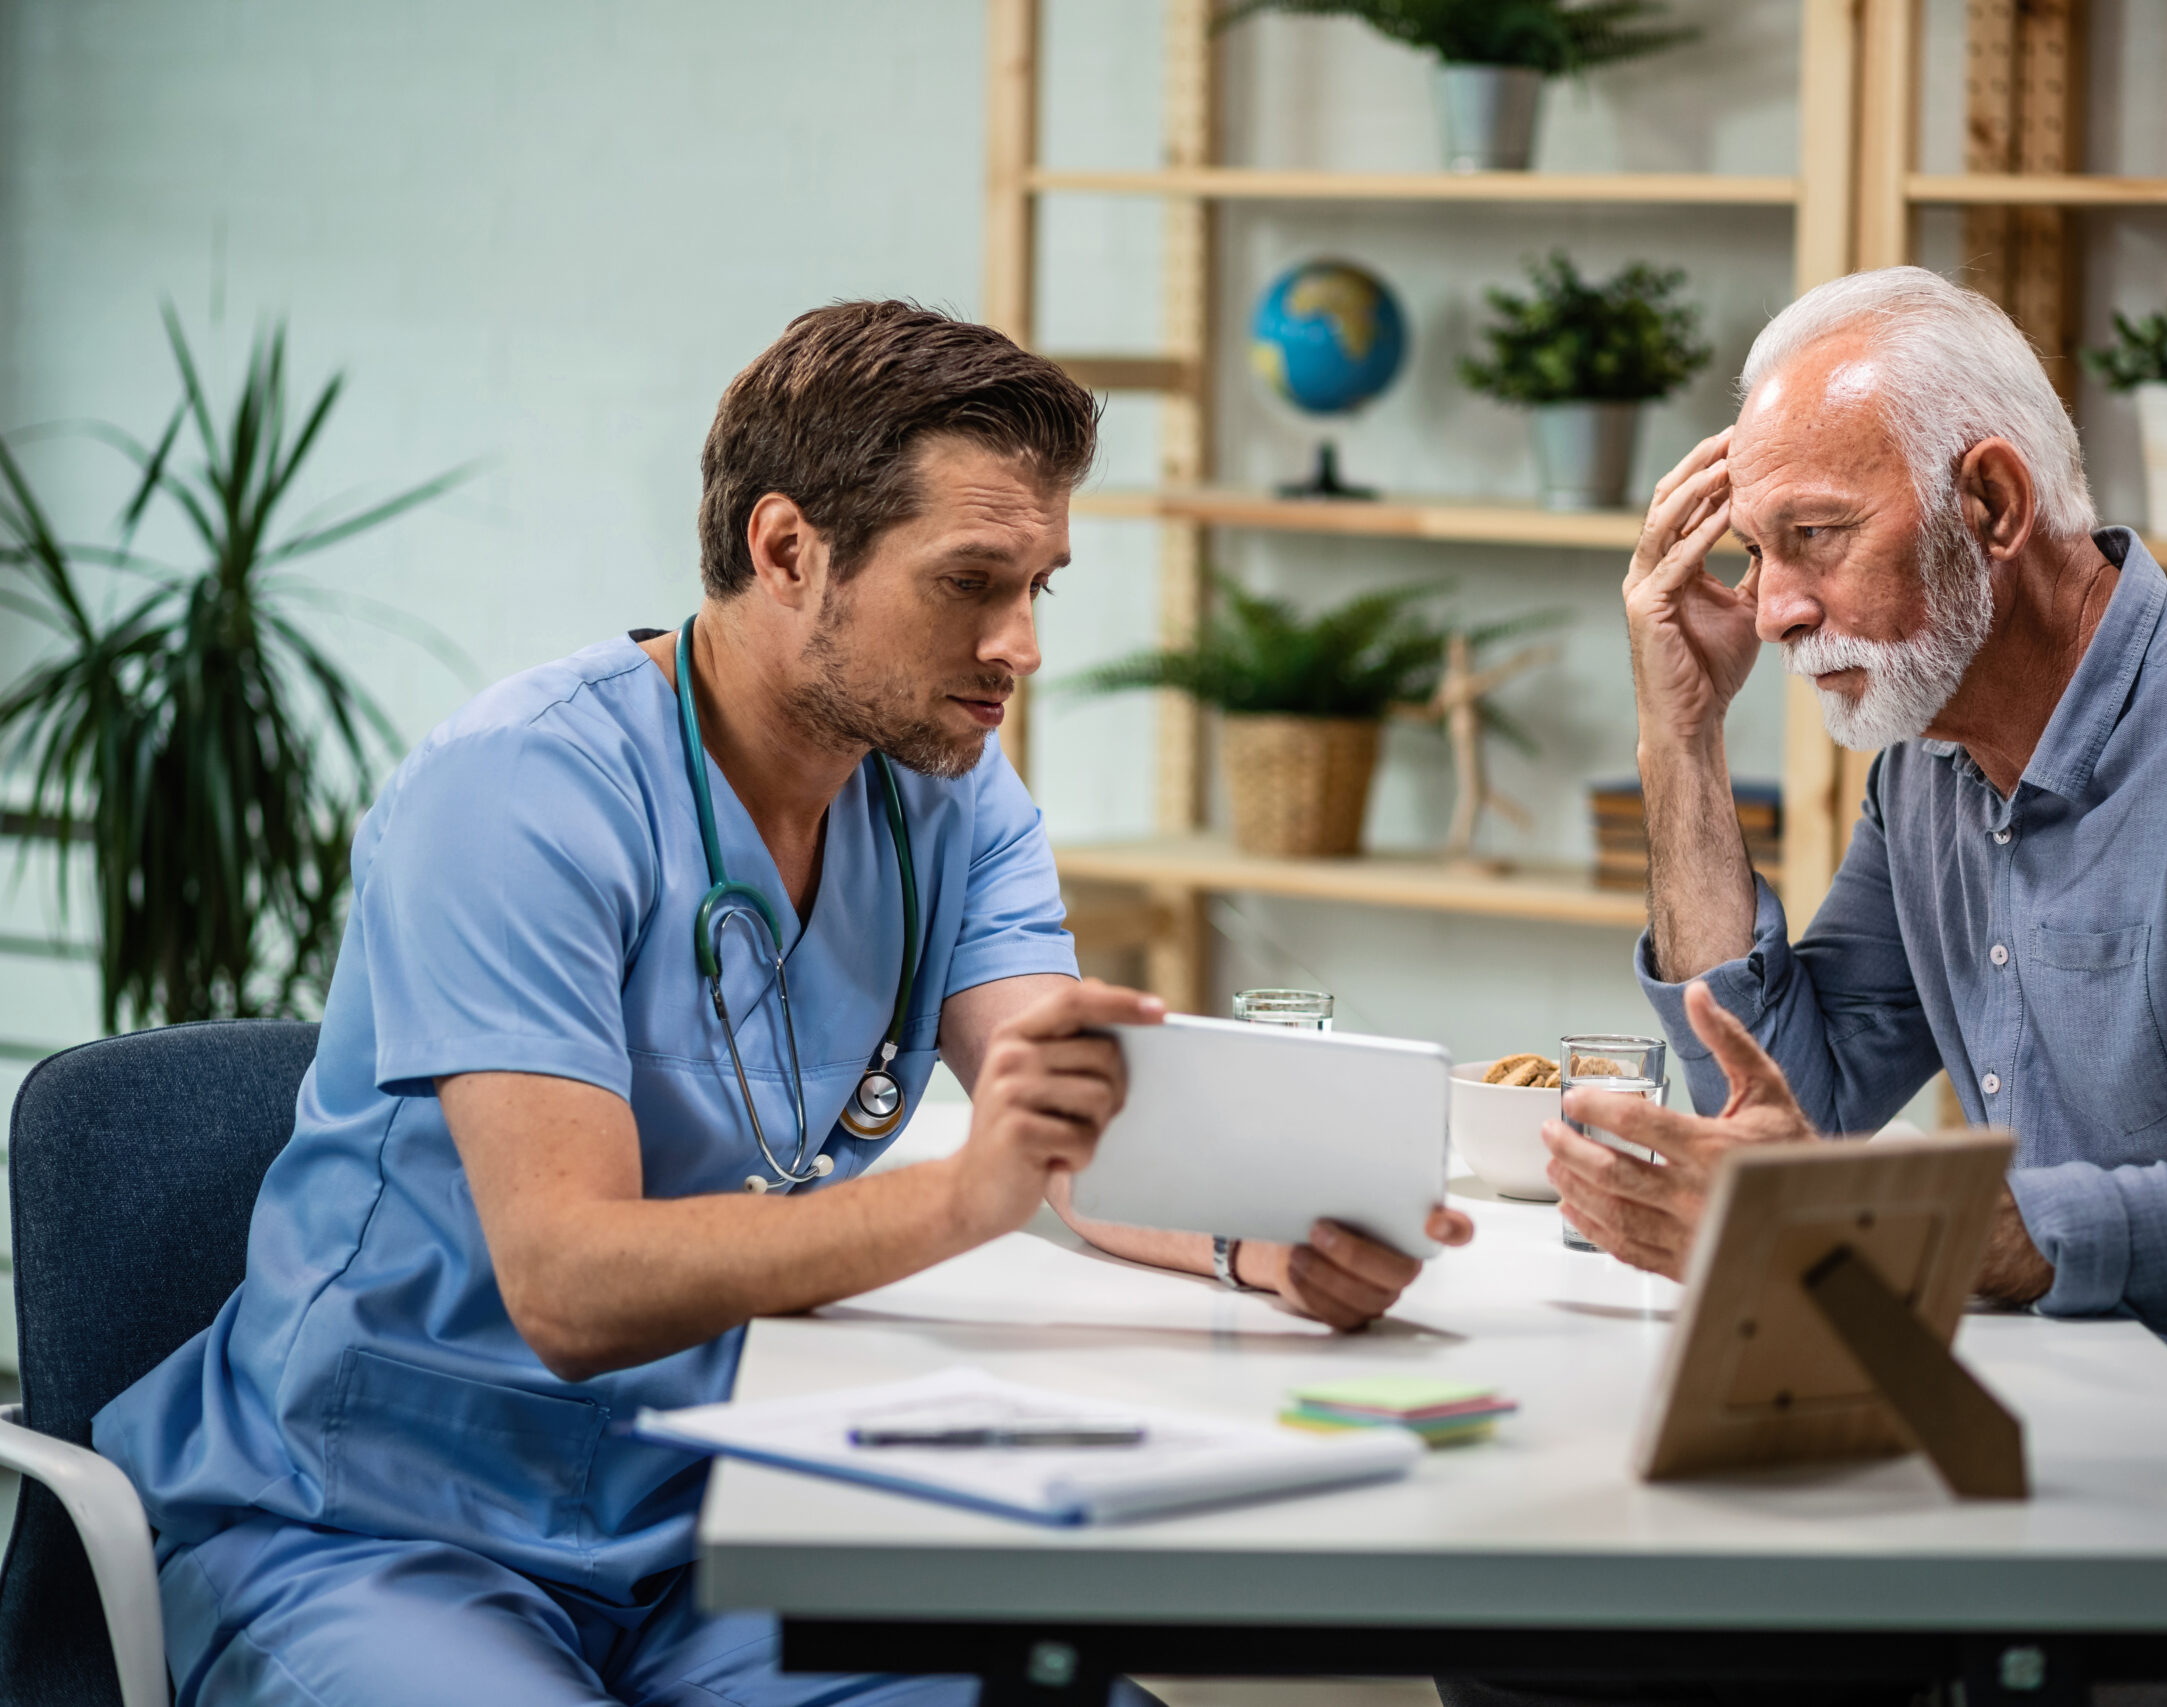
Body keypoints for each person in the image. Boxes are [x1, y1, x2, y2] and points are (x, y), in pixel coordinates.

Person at [93, 300, 1469, 1707]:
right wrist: (961, 1197)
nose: (1020, 646)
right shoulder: (518, 794)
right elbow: (566, 1285)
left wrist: (1259, 1240)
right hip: (370, 1522)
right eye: (970, 582)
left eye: (1039, 587)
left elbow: (1067, 1120)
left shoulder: (952, 795)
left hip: (718, 1514)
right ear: (787, 551)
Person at [1529, 267, 2167, 1707]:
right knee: (1544, 1658)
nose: (1775, 610)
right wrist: (1679, 738)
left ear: (1994, 506)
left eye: (1814, 537)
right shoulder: (1930, 771)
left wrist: (1880, 1228)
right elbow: (1787, 1105)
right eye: (1756, 554)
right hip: (2065, 1473)